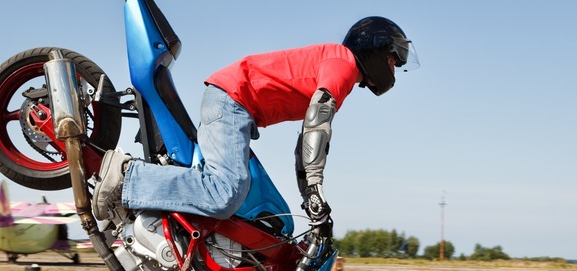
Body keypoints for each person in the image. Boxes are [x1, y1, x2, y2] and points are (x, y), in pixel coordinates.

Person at [92, 16, 419, 230]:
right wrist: (316, 188)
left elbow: (307, 138)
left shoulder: (338, 69)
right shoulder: (343, 63)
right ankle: (128, 177)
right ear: (374, 49)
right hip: (233, 100)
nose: (393, 69)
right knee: (226, 193)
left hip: (236, 107)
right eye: (393, 59)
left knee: (243, 202)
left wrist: (309, 196)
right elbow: (318, 125)